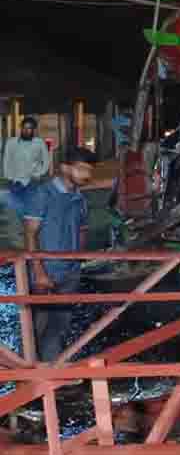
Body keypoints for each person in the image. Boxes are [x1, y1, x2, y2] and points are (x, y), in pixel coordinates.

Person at [25, 146, 96, 362]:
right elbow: (30, 234)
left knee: (61, 324)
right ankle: (31, 376)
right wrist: (39, 272)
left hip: (71, 272)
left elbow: (82, 230)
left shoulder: (80, 199)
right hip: (46, 271)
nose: (87, 175)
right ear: (64, 168)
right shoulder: (42, 194)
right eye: (82, 169)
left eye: (89, 170)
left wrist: (79, 262)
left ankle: (52, 376)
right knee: (39, 325)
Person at [3, 116, 51, 249]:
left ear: (34, 130)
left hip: (32, 182)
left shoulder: (39, 143)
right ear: (21, 128)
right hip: (15, 183)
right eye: (24, 128)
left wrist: (38, 174)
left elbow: (46, 161)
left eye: (30, 128)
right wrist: (9, 178)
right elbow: (7, 161)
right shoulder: (11, 143)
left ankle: (32, 245)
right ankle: (18, 246)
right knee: (15, 214)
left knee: (32, 214)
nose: (27, 131)